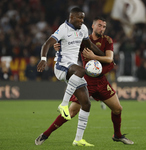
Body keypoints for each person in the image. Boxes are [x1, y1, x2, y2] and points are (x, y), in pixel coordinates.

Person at [35, 16, 134, 146]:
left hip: (102, 81)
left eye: (104, 26)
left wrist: (94, 57)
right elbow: (68, 45)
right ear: (92, 26)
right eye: (99, 25)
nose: (102, 28)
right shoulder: (83, 39)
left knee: (117, 109)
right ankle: (45, 134)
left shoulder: (107, 40)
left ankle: (117, 135)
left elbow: (110, 59)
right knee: (71, 112)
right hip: (86, 80)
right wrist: (59, 47)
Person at [35, 7, 104, 146]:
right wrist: (43, 58)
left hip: (73, 69)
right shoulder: (63, 29)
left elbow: (88, 44)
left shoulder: (83, 29)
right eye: (79, 18)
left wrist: (104, 56)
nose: (81, 21)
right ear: (71, 17)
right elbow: (47, 43)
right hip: (61, 67)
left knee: (86, 103)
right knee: (82, 70)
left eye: (83, 18)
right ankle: (63, 104)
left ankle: (78, 139)